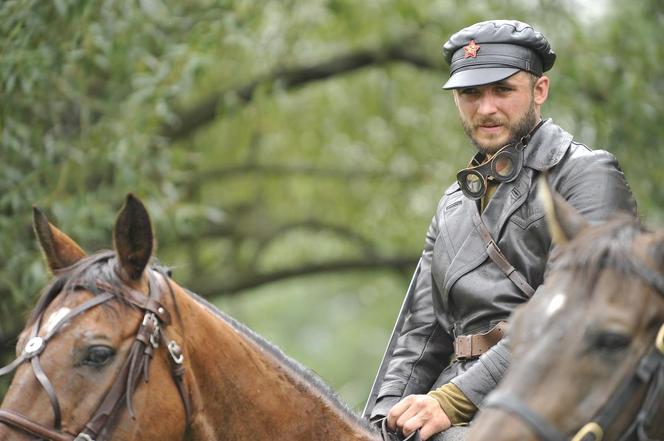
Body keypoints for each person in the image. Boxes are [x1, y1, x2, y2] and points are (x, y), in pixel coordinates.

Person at [365, 19, 637, 441]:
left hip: (549, 402)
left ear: (539, 90)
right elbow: (421, 334)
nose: (486, 108)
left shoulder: (584, 174)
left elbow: (574, 312)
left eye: (502, 90)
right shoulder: (452, 204)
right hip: (454, 407)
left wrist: (451, 401)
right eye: (471, 93)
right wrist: (378, 423)